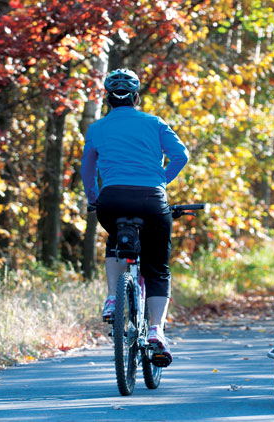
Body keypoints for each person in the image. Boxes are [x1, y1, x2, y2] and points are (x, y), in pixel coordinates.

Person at [81, 68, 189, 367]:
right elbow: (181, 156)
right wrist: (161, 181)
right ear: (136, 98)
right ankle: (156, 330)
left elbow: (87, 169)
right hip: (151, 200)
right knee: (157, 268)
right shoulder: (155, 123)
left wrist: (93, 198)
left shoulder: (96, 128)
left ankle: (112, 299)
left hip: (111, 199)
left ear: (107, 100)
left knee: (115, 239)